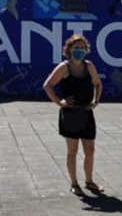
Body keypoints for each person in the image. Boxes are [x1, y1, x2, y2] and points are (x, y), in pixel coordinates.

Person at [43, 34, 103, 196]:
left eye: (83, 48)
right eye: (76, 48)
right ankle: (74, 183)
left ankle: (89, 181)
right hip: (70, 115)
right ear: (69, 49)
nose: (80, 51)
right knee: (72, 151)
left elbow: (97, 83)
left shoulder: (89, 65)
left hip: (86, 113)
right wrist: (59, 102)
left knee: (90, 150)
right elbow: (47, 85)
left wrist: (96, 100)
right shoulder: (64, 67)